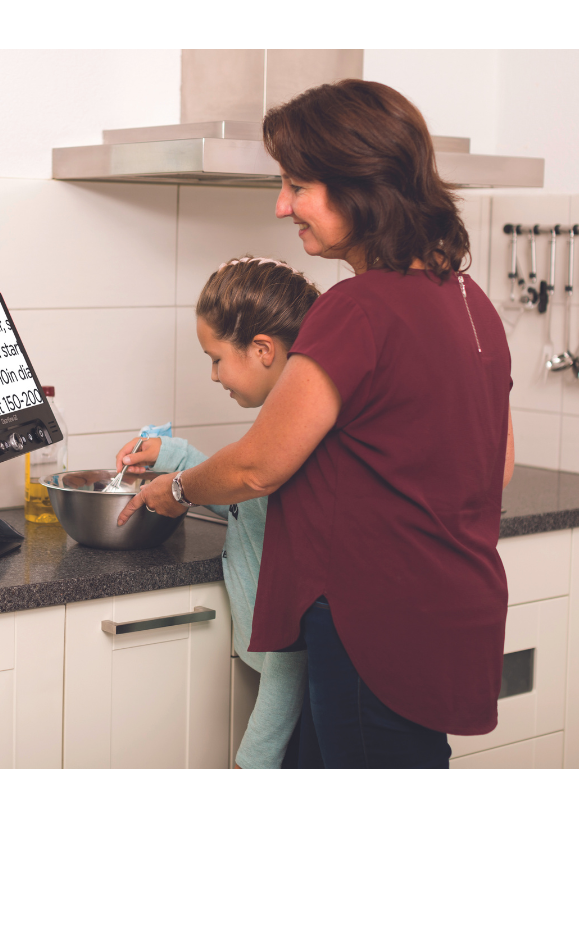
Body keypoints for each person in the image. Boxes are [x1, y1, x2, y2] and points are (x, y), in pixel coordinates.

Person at [119, 78, 515, 769]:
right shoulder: (470, 301)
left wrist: (176, 488)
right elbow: (496, 466)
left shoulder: (357, 308)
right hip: (454, 609)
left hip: (373, 622)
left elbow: (258, 466)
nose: (282, 206)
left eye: (298, 186)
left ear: (362, 187)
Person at [115, 256, 319, 768]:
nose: (212, 375)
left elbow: (293, 654)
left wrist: (253, 759)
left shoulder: (298, 447)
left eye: (215, 359)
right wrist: (175, 456)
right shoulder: (288, 426)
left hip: (296, 698)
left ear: (263, 350)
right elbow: (249, 497)